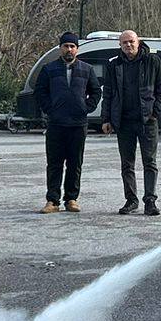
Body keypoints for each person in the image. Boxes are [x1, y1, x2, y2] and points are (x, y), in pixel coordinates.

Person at [100, 30, 161, 215]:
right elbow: (108, 93)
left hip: (147, 121)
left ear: (138, 42)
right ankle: (131, 200)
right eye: (124, 43)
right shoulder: (114, 65)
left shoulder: (152, 61)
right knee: (127, 164)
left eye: (131, 41)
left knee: (150, 162)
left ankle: (150, 201)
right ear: (120, 45)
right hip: (123, 122)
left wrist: (156, 112)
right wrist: (106, 119)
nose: (128, 45)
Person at [36, 32, 97, 213]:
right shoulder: (49, 69)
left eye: (72, 46)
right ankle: (52, 200)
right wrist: (50, 109)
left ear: (77, 49)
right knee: (54, 163)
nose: (69, 49)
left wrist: (85, 108)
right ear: (60, 48)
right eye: (65, 46)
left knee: (75, 163)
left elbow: (96, 92)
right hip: (56, 124)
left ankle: (71, 199)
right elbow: (40, 92)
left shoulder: (87, 69)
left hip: (78, 125)